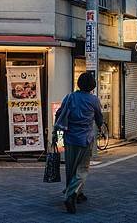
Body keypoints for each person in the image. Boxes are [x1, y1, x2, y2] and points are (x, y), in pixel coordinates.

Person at [59, 72, 103, 214]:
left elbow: (59, 113)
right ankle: (71, 195)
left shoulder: (70, 97)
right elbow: (99, 118)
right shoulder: (93, 100)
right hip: (85, 139)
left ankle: (78, 193)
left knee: (71, 169)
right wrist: (100, 126)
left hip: (69, 138)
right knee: (82, 169)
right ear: (92, 85)